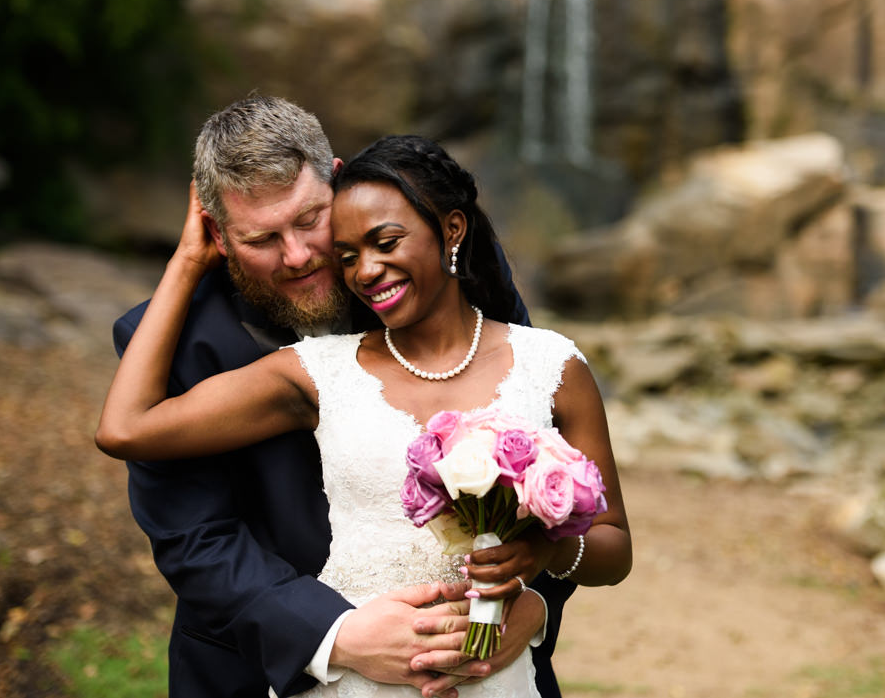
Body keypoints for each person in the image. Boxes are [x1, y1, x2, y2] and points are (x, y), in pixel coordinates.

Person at [98, 133, 632, 698]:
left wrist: (530, 603)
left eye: (311, 220)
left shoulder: (514, 330)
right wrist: (337, 635)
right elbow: (189, 527)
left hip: (491, 666)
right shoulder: (293, 367)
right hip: (295, 668)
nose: (304, 255)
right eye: (262, 237)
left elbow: (565, 507)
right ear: (219, 235)